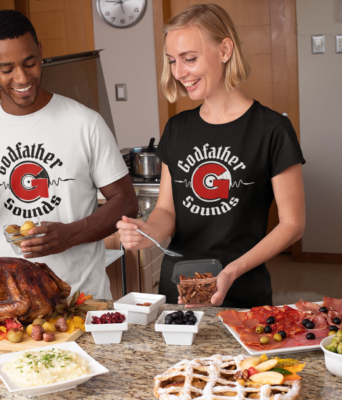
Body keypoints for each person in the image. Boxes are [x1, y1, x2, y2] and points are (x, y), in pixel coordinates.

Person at [117, 4, 306, 308]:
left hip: (242, 288)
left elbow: (292, 224)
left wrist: (232, 271)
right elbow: (167, 210)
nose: (179, 73)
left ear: (225, 50)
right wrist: (148, 230)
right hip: (179, 287)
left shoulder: (272, 129)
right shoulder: (177, 128)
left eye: (189, 59)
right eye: (172, 61)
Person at [0, 10, 138, 300]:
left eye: (30, 63)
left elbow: (127, 202)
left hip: (84, 300)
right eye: (6, 69)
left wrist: (72, 234)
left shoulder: (85, 123)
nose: (22, 78)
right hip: (12, 303)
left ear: (40, 52)